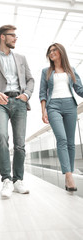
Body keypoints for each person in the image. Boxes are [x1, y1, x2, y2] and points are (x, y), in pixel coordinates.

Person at [0, 25, 34, 198]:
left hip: (19, 101)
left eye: (15, 36)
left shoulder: (21, 58)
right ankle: (6, 179)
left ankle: (18, 180)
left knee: (20, 143)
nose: (15, 38)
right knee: (2, 137)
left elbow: (30, 79)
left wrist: (26, 95)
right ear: (2, 37)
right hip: (1, 102)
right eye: (12, 36)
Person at [39, 43, 83, 192]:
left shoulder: (71, 71)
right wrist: (43, 111)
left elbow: (79, 89)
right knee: (62, 139)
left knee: (71, 142)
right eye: (49, 51)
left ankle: (67, 175)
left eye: (54, 50)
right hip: (53, 107)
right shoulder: (46, 72)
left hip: (70, 105)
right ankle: (69, 175)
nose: (51, 53)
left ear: (61, 52)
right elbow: (42, 93)